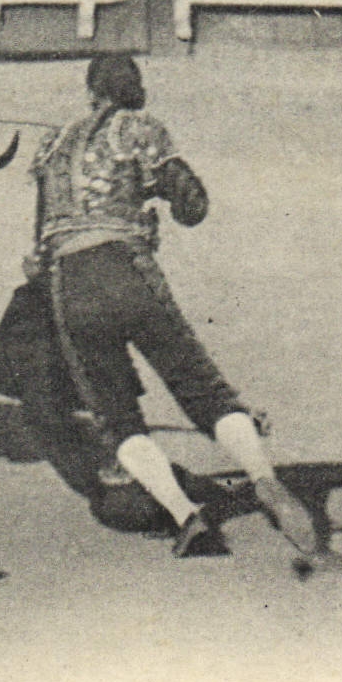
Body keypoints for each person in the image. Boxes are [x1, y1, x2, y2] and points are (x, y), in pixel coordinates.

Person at [26, 54, 319, 559]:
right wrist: (156, 194)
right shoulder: (140, 129)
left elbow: (39, 246)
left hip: (70, 286)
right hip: (129, 271)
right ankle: (264, 480)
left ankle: (186, 517)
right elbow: (193, 204)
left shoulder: (50, 144)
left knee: (116, 417)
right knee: (201, 389)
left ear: (90, 90)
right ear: (135, 91)